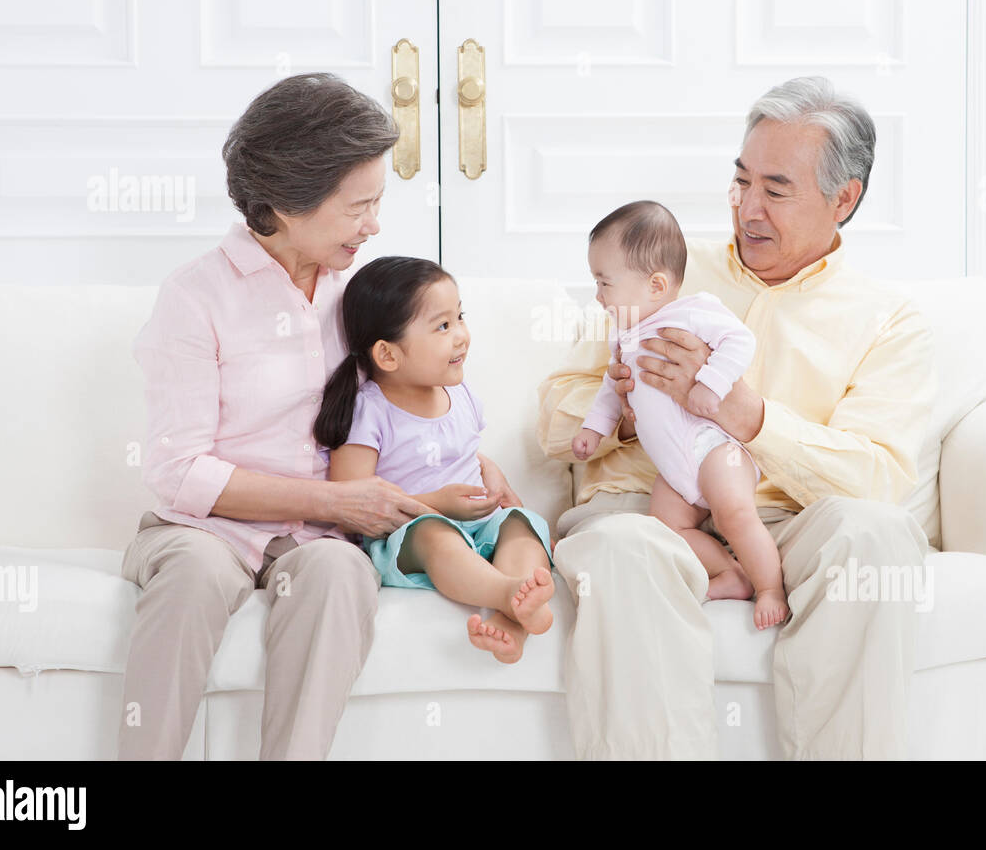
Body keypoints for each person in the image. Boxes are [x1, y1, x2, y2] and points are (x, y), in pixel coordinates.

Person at [537, 76, 937, 760]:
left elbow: (879, 482)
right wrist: (632, 410)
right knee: (622, 550)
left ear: (844, 199)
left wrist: (751, 418)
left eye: (775, 190)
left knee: (875, 536)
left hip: (793, 518)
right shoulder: (666, 269)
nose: (746, 208)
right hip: (650, 510)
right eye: (741, 181)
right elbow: (553, 417)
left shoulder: (890, 320)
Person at [121, 73, 517, 760]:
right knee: (192, 575)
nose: (374, 225)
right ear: (286, 204)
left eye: (378, 203)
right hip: (203, 528)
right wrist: (335, 498)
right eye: (357, 207)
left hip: (321, 538)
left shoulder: (359, 292)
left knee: (339, 573)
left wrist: (474, 462)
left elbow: (413, 392)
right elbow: (179, 472)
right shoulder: (195, 297)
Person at [314, 256, 556, 664]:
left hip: (480, 525)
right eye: (443, 326)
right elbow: (349, 503)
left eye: (460, 317)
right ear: (388, 355)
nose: (461, 335)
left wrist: (493, 475)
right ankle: (506, 592)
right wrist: (438, 504)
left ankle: (513, 619)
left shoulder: (458, 393)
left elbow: (464, 450)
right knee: (433, 533)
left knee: (522, 523)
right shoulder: (369, 410)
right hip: (409, 534)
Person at [572, 200, 787, 629]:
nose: (597, 297)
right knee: (667, 530)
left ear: (655, 285)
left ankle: (770, 589)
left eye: (604, 283)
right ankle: (731, 574)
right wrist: (594, 429)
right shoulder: (624, 336)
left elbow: (739, 341)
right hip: (673, 469)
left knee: (735, 514)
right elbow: (612, 390)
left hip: (713, 450)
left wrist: (711, 384)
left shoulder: (692, 312)